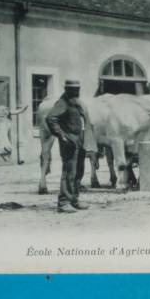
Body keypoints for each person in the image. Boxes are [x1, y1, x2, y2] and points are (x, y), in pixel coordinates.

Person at [46, 79, 98, 213]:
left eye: (78, 89)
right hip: (69, 141)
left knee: (79, 171)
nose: (76, 91)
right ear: (67, 89)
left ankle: (74, 199)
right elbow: (51, 118)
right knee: (69, 172)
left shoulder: (76, 103)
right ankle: (63, 203)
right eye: (73, 89)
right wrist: (61, 135)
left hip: (80, 140)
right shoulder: (62, 102)